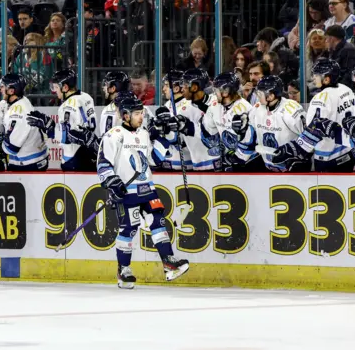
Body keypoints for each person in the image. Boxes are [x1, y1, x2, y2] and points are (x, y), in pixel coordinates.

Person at [97, 95, 189, 289]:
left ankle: (169, 262)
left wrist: (166, 137)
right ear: (125, 115)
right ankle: (124, 270)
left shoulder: (144, 134)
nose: (141, 117)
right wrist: (112, 182)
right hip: (127, 193)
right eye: (137, 113)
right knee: (129, 228)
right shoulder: (113, 135)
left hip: (148, 189)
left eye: (141, 113)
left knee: (158, 222)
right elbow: (103, 163)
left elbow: (153, 160)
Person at [272, 59, 355, 173]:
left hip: (328, 159)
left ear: (326, 79)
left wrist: (293, 149)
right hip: (348, 153)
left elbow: (315, 130)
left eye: (316, 75)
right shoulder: (346, 90)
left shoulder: (321, 98)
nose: (313, 78)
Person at [27, 69, 97, 171]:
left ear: (65, 87)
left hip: (74, 157)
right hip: (89, 152)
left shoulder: (67, 105)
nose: (54, 91)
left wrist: (48, 126)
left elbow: (68, 136)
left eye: (56, 87)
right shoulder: (86, 97)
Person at [235, 75, 308, 172]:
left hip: (292, 169)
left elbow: (309, 136)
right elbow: (251, 137)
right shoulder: (257, 109)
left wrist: (300, 159)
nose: (257, 96)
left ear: (270, 96)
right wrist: (242, 130)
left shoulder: (291, 110)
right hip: (268, 167)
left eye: (260, 93)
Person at [0, 73, 48, 171]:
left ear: (11, 91)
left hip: (28, 163)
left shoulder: (18, 113)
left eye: (3, 87)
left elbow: (12, 148)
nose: (1, 90)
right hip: (32, 159)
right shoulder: (20, 101)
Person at [171, 68, 222, 171]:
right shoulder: (183, 110)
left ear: (194, 87)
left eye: (185, 86)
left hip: (219, 166)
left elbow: (219, 133)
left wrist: (190, 128)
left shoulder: (217, 103)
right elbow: (178, 140)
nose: (182, 89)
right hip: (196, 167)